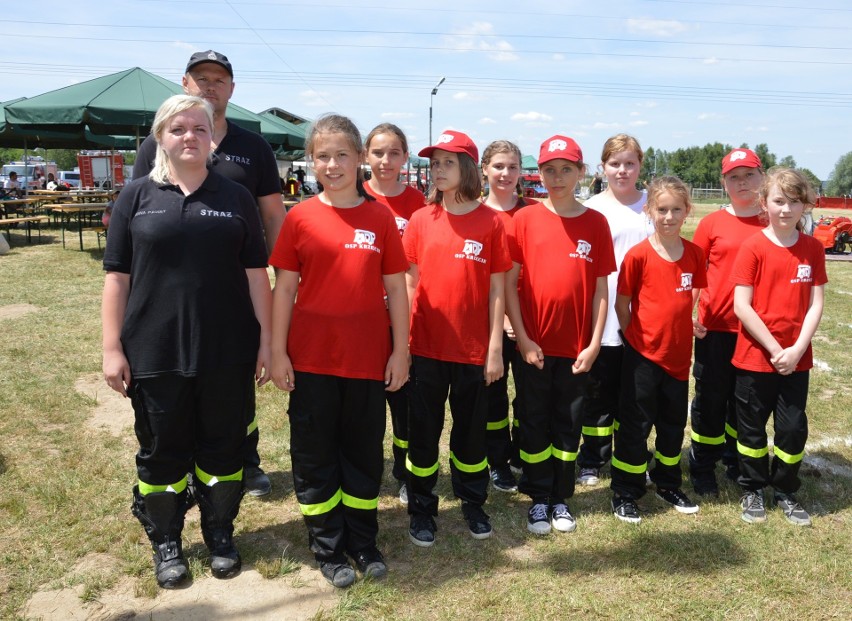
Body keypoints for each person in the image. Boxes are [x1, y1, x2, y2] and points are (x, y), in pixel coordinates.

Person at [102, 94, 272, 588]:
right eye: (178, 129)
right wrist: (112, 347)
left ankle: (220, 532)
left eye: (199, 128)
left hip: (227, 348)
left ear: (212, 137)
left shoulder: (235, 197)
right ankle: (167, 540)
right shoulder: (135, 196)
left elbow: (257, 276)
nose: (190, 137)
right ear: (161, 138)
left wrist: (266, 342)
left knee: (225, 447)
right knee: (162, 452)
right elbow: (117, 278)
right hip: (153, 350)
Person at [133, 50, 284, 497]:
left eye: (219, 80)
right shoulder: (156, 144)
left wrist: (279, 272)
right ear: (185, 83)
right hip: (175, 290)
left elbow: (273, 217)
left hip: (238, 283)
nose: (210, 86)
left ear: (232, 89)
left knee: (235, 379)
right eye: (201, 78)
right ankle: (189, 465)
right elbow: (139, 213)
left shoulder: (253, 146)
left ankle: (245, 459)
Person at [268, 114, 409, 588]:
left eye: (342, 155)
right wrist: (277, 351)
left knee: (363, 454)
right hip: (310, 360)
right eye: (323, 156)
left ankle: (362, 541)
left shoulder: (380, 217)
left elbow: (396, 289)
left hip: (367, 361)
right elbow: (284, 290)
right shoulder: (300, 217)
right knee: (315, 456)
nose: (332, 164)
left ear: (360, 159)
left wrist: (401, 352)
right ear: (312, 160)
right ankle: (327, 546)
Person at [404, 130, 511, 547]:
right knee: (424, 433)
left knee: (470, 433)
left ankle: (472, 500)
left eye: (448, 162)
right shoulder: (420, 220)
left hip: (473, 351)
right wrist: (405, 344)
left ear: (467, 168)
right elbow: (410, 285)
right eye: (435, 163)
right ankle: (422, 509)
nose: (438, 170)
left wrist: (495, 349)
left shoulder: (493, 223)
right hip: (425, 348)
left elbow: (498, 290)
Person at [505, 135, 614, 535]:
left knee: (568, 422)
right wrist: (524, 338)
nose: (557, 177)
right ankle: (537, 497)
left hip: (576, 348)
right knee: (534, 420)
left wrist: (594, 343)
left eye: (566, 169)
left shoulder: (595, 223)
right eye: (549, 169)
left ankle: (561, 496)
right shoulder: (525, 219)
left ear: (581, 172)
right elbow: (509, 284)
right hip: (533, 346)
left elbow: (601, 290)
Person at [732, 167, 826, 526]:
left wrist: (798, 349)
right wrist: (775, 350)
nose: (786, 209)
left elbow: (816, 304)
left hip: (797, 360)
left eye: (795, 202)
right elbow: (743, 306)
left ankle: (785, 489)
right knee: (752, 429)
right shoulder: (752, 246)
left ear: (806, 206)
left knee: (791, 428)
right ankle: (753, 488)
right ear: (764, 203)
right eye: (779, 201)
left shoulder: (813, 248)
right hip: (756, 358)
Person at [610, 176, 707, 524]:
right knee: (635, 427)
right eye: (661, 209)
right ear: (649, 210)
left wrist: (687, 321)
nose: (668, 216)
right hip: (642, 357)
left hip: (678, 360)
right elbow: (623, 305)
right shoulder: (637, 256)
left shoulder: (695, 254)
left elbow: (693, 294)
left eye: (676, 209)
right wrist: (635, 337)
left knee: (671, 426)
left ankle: (667, 482)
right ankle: (625, 490)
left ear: (687, 212)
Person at [577, 134, 654, 488]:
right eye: (615, 163)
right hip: (604, 314)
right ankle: (592, 457)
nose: (622, 170)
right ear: (602, 167)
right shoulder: (592, 208)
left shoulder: (655, 205)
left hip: (646, 314)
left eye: (630, 163)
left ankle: (633, 452)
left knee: (636, 393)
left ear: (640, 165)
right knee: (598, 393)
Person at [688, 148, 765, 496]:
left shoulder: (773, 220)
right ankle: (703, 465)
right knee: (710, 400)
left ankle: (735, 461)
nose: (742, 182)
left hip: (757, 332)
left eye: (749, 174)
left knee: (746, 402)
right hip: (715, 328)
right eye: (734, 176)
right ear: (724, 182)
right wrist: (689, 314)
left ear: (762, 177)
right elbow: (694, 272)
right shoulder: (712, 223)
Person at [363, 122, 425, 505]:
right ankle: (365, 469)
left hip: (405, 319)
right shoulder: (351, 195)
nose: (386, 161)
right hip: (362, 321)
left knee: (404, 403)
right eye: (378, 152)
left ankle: (404, 470)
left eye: (394, 153)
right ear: (365, 156)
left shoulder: (419, 203)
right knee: (366, 405)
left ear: (405, 157)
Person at [480, 139, 532, 493]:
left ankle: (522, 455)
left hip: (529, 323)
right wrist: (500, 322)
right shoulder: (472, 212)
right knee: (492, 398)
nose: (506, 173)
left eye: (512, 167)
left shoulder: (534, 212)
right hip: (486, 324)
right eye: (499, 166)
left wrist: (520, 324)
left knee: (529, 397)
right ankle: (497, 462)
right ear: (484, 168)